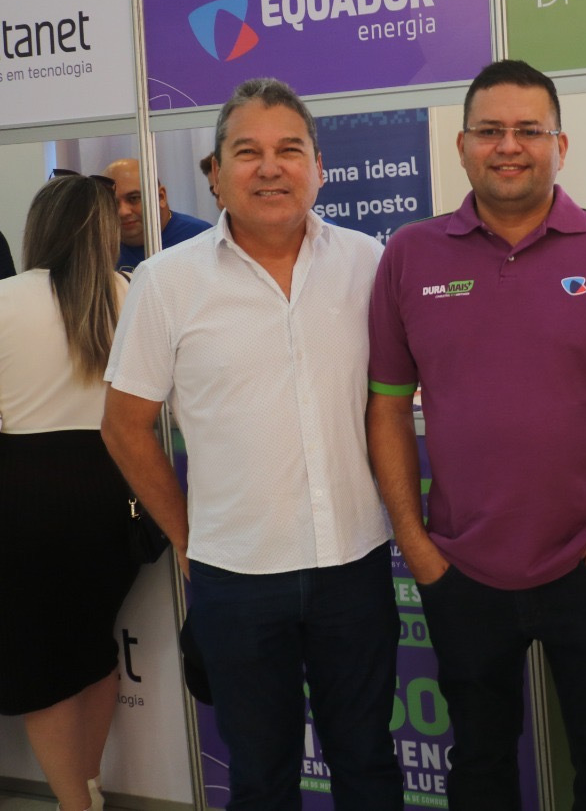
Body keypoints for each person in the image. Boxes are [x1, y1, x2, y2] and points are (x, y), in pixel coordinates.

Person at [366, 59, 586, 809]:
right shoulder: (410, 255)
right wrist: (416, 543)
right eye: (489, 131)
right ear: (462, 146)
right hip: (461, 567)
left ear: (560, 145)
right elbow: (385, 407)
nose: (508, 146)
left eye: (528, 131)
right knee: (480, 766)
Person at [101, 79, 402, 809]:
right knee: (262, 778)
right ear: (215, 172)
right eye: (247, 152)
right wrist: (187, 536)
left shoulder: (369, 263)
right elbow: (124, 425)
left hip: (353, 565)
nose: (270, 168)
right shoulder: (166, 283)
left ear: (319, 168)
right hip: (236, 577)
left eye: (289, 150)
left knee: (367, 762)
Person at [0, 174, 136, 811]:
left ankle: (75, 806)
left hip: (24, 494)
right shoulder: (126, 293)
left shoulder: (5, 298)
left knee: (43, 668)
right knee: (92, 648)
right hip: (112, 488)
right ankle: (89, 787)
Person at [101, 157, 211, 273]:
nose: (123, 212)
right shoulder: (98, 247)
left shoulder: (201, 237)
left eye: (134, 198)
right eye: (112, 203)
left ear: (161, 197)